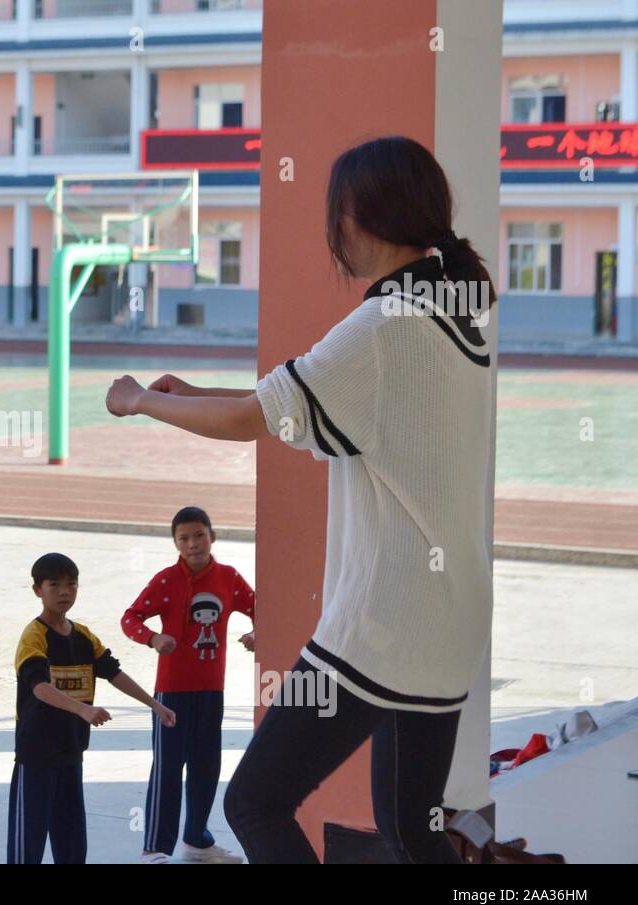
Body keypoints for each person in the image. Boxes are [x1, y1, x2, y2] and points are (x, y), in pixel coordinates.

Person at [104, 136, 495, 863]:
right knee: (414, 826)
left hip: (383, 621)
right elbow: (277, 406)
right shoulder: (455, 318)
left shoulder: (379, 331)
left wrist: (139, 402)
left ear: (356, 219)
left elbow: (249, 421)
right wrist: (197, 395)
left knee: (254, 802)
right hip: (450, 618)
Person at [9, 552, 175, 864]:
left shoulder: (84, 636)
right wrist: (81, 710)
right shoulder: (34, 636)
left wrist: (154, 704)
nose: (64, 592)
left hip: (71, 754)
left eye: (71, 585)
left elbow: (114, 673)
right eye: (54, 585)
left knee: (72, 842)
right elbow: (39, 688)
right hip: (36, 756)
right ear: (37, 590)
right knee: (27, 843)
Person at [122, 506, 254, 863]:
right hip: (171, 694)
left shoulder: (228, 578)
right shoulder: (166, 580)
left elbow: (263, 607)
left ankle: (197, 838)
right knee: (167, 769)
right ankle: (155, 847)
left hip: (212, 690)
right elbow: (130, 617)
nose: (193, 544)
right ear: (175, 543)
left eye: (199, 535)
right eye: (184, 538)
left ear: (213, 536)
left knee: (206, 766)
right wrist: (152, 639)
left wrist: (260, 632)